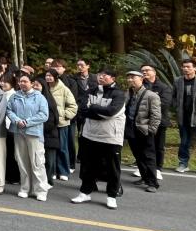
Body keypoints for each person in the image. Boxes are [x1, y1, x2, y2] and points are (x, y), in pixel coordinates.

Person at [72, 68, 127, 209]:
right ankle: (85, 192)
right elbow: (82, 110)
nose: (101, 77)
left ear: (113, 78)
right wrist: (97, 111)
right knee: (88, 166)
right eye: (99, 75)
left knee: (112, 168)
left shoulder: (119, 94)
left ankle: (111, 196)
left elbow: (111, 112)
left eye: (105, 75)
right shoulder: (91, 91)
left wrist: (93, 108)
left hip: (110, 137)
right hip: (90, 135)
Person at [7, 73, 50, 201]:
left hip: (34, 133)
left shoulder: (39, 97)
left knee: (37, 162)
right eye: (20, 81)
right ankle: (25, 188)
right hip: (18, 132)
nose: (22, 83)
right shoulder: (14, 96)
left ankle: (41, 190)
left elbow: (44, 115)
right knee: (22, 161)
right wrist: (16, 120)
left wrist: (27, 122)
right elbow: (8, 110)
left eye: (25, 81)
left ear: (32, 83)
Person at [125, 70, 161, 192]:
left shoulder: (151, 95)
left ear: (141, 79)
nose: (130, 80)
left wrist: (150, 130)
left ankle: (153, 183)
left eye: (133, 77)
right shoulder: (129, 93)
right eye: (128, 78)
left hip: (144, 130)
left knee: (148, 157)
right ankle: (144, 178)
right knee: (138, 156)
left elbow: (156, 116)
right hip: (131, 129)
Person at [45, 69, 77, 180]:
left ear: (56, 77)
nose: (48, 78)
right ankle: (52, 171)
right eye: (47, 75)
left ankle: (63, 171)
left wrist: (63, 115)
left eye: (50, 76)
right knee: (50, 148)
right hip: (48, 124)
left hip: (61, 124)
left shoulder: (64, 89)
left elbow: (73, 106)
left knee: (62, 148)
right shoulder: (44, 88)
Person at [141, 64, 170, 182]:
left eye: (147, 70)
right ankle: (144, 169)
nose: (144, 72)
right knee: (144, 146)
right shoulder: (140, 86)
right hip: (142, 121)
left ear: (154, 72)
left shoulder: (163, 87)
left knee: (158, 146)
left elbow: (165, 103)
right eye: (142, 71)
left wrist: (145, 106)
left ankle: (158, 168)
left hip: (159, 121)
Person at [36, 77, 60, 189]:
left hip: (49, 134)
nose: (35, 87)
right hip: (36, 134)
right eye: (33, 85)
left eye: (37, 85)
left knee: (49, 160)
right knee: (38, 160)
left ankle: (49, 181)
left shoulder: (49, 100)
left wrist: (39, 128)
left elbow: (52, 120)